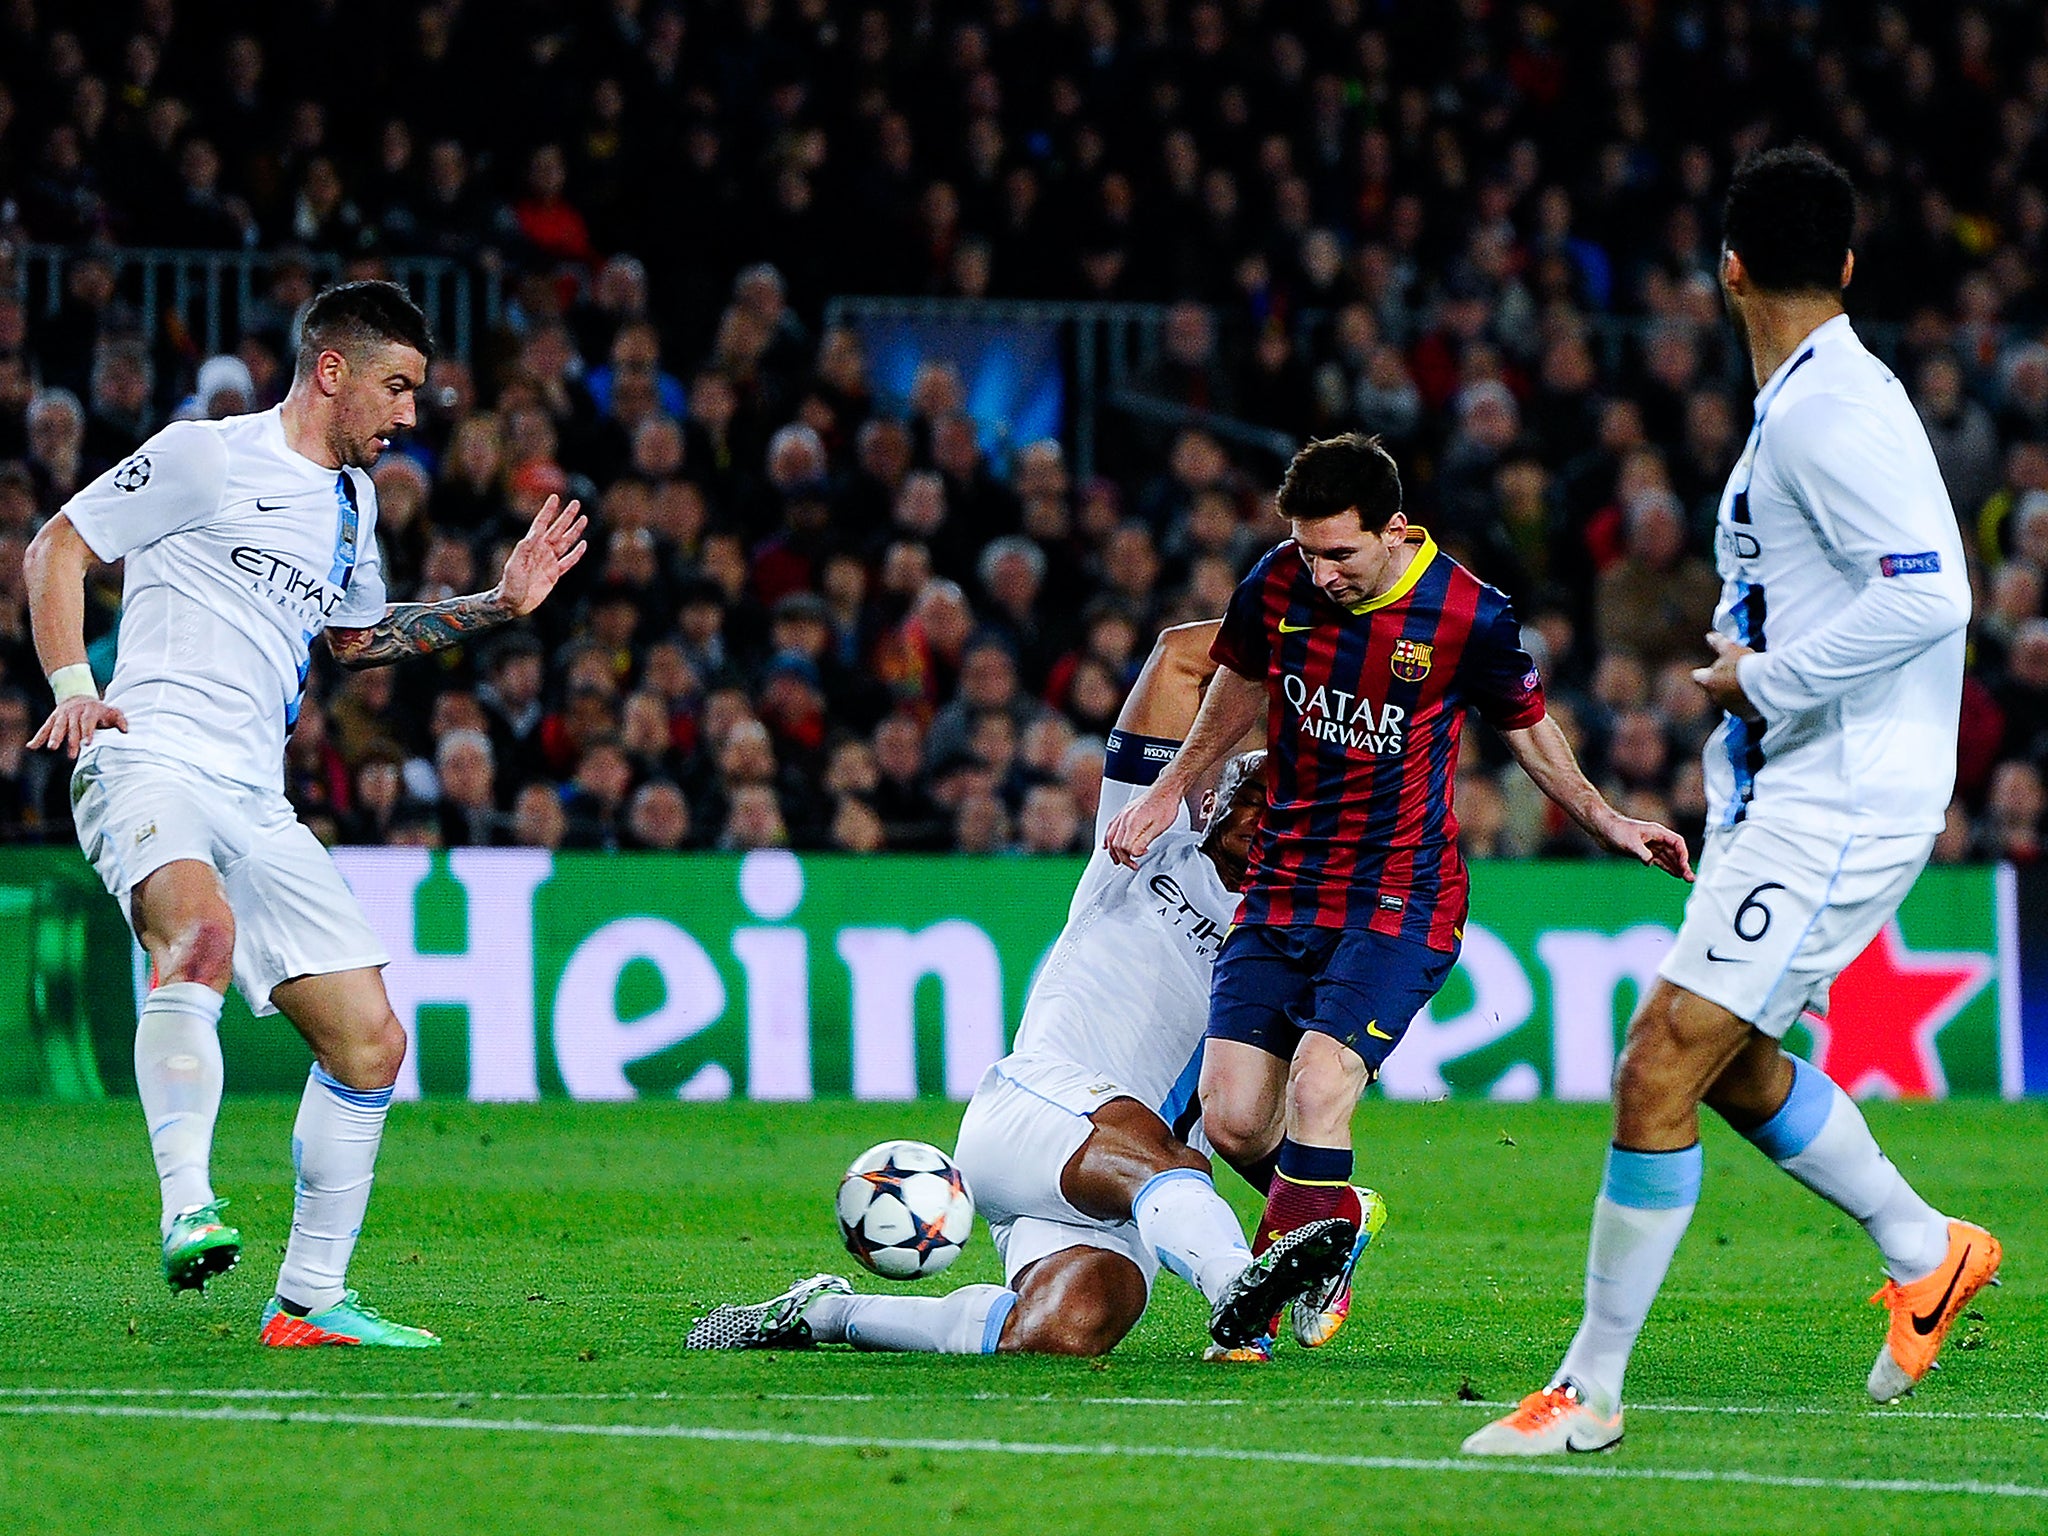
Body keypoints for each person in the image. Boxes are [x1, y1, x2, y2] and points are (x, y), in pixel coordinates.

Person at [1465, 148, 1999, 1457]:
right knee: (1734, 1062)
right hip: (1794, 793)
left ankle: (1585, 1395)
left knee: (1659, 1059)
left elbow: (1935, 595)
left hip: (1837, 795)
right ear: (1850, 267)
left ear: (1730, 268)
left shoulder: (1832, 411)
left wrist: (1768, 676)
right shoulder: (1814, 398)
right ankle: (1925, 1249)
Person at [23, 282, 586, 1348]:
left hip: (254, 796)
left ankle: (309, 1300)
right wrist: (70, 689)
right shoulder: (204, 455)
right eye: (398, 388)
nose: (410, 415)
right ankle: (188, 1202)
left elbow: (355, 643)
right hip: (144, 753)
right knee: (200, 935)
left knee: (371, 1044)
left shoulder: (350, 509)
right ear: (332, 371)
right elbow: (57, 545)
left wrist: (497, 607)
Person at [1103, 432, 1692, 1353]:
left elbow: (1529, 731)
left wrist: (1607, 819)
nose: (1321, 570)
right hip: (1283, 885)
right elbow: (1239, 685)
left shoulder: (1467, 614)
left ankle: (1250, 1316)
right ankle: (1331, 1221)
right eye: (1306, 550)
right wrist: (1174, 784)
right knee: (1230, 1117)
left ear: (1396, 532)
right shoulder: (1277, 584)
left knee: (1320, 1078)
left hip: (1399, 898)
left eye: (1339, 552)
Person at [687, 621, 1362, 1361]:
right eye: (1252, 797)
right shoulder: (1143, 843)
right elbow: (1176, 659)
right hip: (1036, 1108)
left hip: (1137, 1199)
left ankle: (824, 1315)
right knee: (1168, 1159)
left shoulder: (1297, 946)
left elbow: (1257, 1122)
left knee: (1062, 1331)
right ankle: (1237, 1290)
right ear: (1211, 802)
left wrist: (1311, 1196)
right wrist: (1335, 645)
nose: (1264, 820)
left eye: (1288, 814)